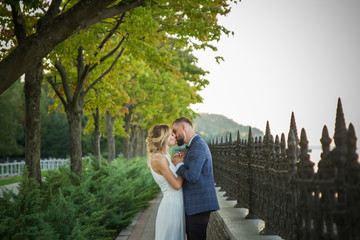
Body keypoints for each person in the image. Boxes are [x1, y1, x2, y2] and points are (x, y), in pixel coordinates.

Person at [171, 117, 219, 240]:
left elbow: (192, 176)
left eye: (175, 131)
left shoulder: (198, 146)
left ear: (183, 127)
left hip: (199, 205)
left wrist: (179, 164)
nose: (174, 136)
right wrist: (183, 161)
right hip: (196, 206)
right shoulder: (194, 146)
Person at [146, 124, 186, 240]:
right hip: (171, 207)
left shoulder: (166, 156)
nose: (175, 136)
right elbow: (177, 185)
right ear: (164, 138)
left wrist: (175, 163)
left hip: (177, 204)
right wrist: (181, 164)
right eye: (171, 134)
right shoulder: (159, 159)